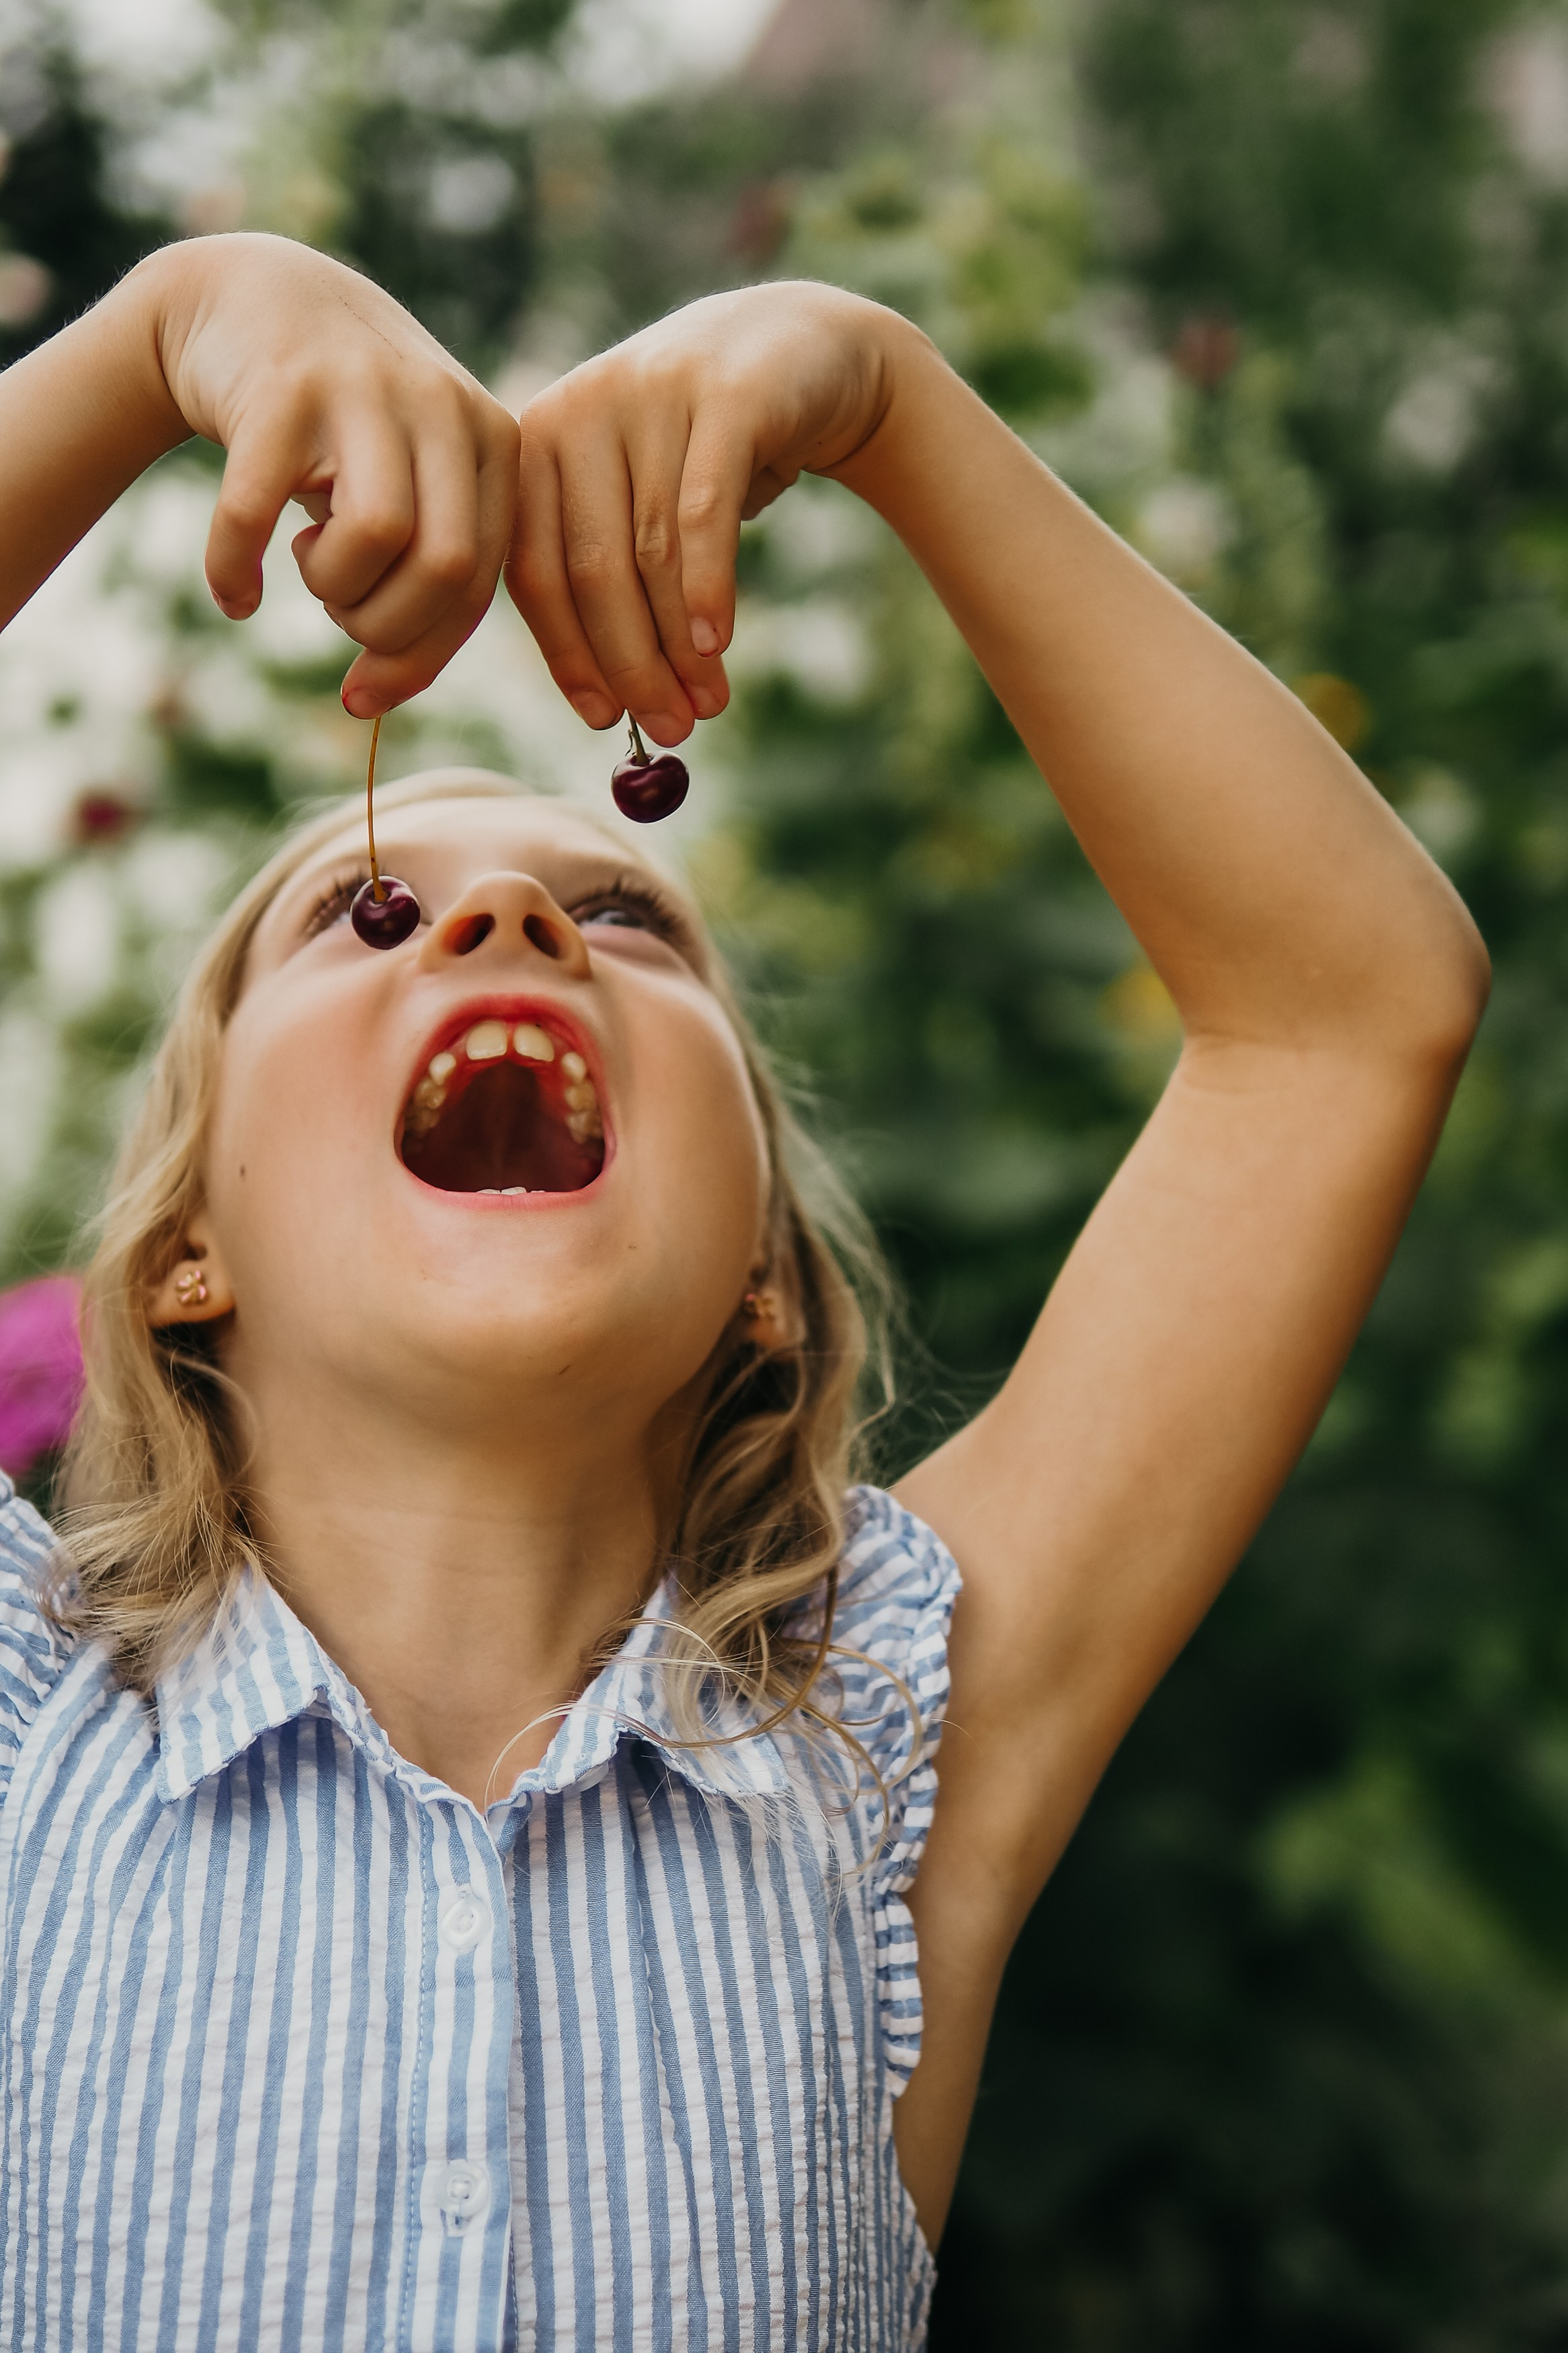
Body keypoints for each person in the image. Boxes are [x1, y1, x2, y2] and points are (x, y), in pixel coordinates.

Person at [0, 232, 1487, 2351]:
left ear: (770, 1281)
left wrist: (890, 397)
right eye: (370, 909)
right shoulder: (27, 1735)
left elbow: (1349, 1015)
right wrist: (169, 325)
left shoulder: (884, 1736)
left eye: (631, 917)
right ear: (183, 1260)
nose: (511, 911)